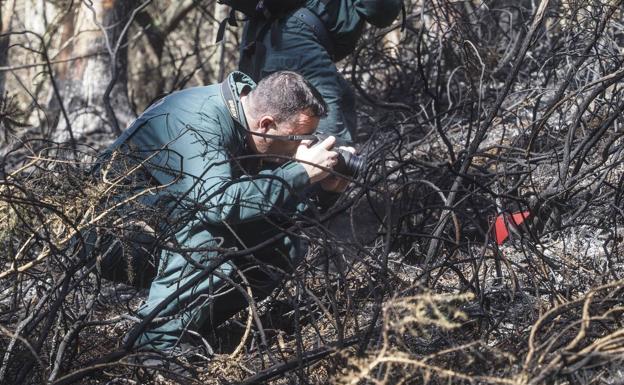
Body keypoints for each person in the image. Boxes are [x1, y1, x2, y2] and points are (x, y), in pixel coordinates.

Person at [89, 70, 354, 360]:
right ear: (266, 125)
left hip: (160, 222)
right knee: (213, 228)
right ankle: (155, 345)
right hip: (107, 232)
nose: (304, 147)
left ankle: (189, 327)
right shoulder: (198, 119)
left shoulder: (249, 126)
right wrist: (299, 172)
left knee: (284, 242)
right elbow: (216, 204)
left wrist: (324, 190)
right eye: (299, 138)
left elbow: (270, 207)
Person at [238, 0, 404, 141]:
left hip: (264, 35)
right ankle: (325, 174)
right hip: (295, 40)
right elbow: (381, 12)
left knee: (268, 127)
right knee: (326, 125)